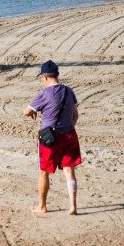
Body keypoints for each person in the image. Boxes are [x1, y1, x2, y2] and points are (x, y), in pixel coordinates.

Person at [22, 61, 80, 215]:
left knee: (44, 171)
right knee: (69, 170)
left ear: (45, 76)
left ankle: (42, 206)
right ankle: (73, 206)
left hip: (50, 137)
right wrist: (68, 127)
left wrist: (34, 113)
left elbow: (26, 111)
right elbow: (75, 115)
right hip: (69, 134)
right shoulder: (69, 91)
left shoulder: (44, 94)